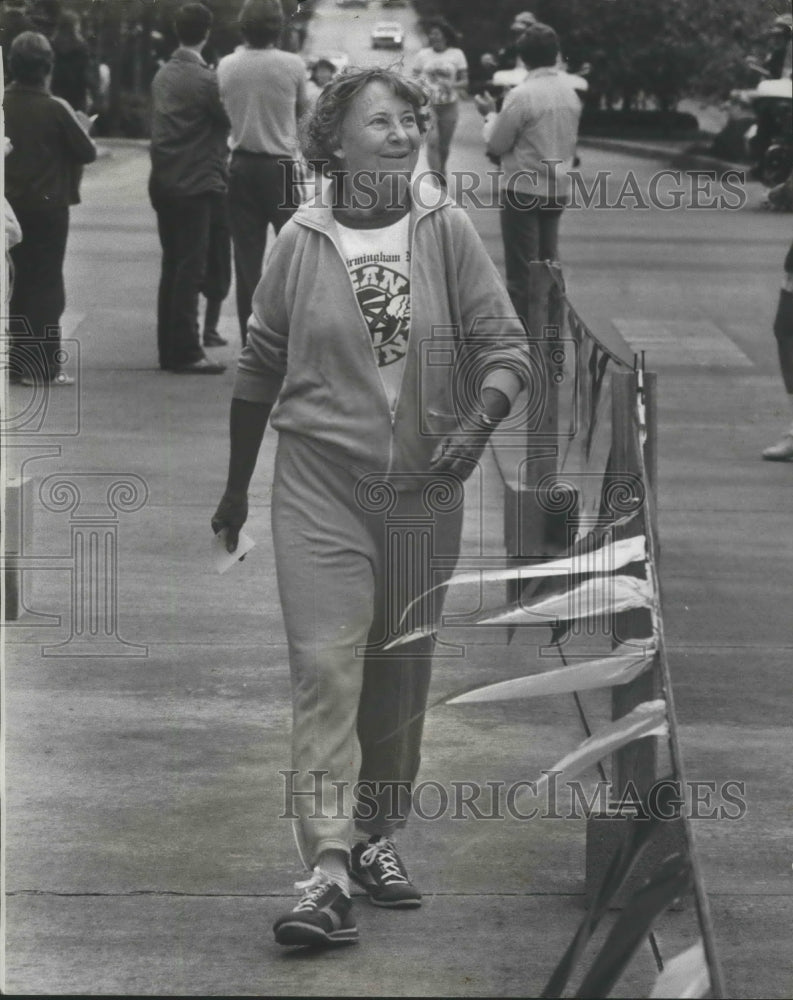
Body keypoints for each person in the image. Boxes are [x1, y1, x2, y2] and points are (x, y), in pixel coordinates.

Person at [211, 67, 532, 948]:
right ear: (333, 143)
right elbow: (259, 364)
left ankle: (376, 833)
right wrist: (237, 486)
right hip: (318, 483)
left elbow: (507, 348)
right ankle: (325, 871)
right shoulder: (298, 240)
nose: (400, 133)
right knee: (325, 669)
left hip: (425, 488)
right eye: (379, 121)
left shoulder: (446, 230)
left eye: (409, 120)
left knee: (397, 671)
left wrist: (475, 426)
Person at [4, 30, 96, 386]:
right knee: (46, 285)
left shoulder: (3, 103)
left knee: (13, 283)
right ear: (47, 68)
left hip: (9, 206)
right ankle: (43, 364)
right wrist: (84, 127)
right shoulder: (55, 108)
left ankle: (13, 363)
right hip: (48, 207)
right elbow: (85, 151)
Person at [474, 23, 581, 320]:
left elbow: (497, 142)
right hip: (557, 189)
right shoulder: (570, 94)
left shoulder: (522, 95)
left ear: (523, 58)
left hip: (522, 190)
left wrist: (489, 115)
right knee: (550, 267)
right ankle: (553, 338)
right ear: (555, 54)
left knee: (521, 275)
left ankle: (522, 345)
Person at [217, 0, 308, 346]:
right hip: (281, 166)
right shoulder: (292, 65)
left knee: (246, 260)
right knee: (294, 255)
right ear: (278, 28)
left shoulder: (227, 65)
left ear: (244, 27)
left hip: (240, 163)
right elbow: (305, 113)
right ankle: (290, 337)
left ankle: (250, 340)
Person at [149, 2, 230, 374]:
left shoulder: (162, 75)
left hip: (164, 180)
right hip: (196, 181)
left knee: (172, 264)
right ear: (207, 33)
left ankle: (168, 346)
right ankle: (186, 350)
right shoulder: (207, 80)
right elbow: (226, 118)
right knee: (191, 267)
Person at [412, 17, 468, 183]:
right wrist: (419, 89)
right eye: (431, 34)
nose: (433, 37)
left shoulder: (457, 54)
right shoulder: (422, 55)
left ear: (445, 36)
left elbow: (465, 82)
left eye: (436, 34)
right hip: (428, 105)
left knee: (444, 146)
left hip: (449, 105)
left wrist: (452, 85)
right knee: (433, 142)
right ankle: (436, 180)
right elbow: (413, 79)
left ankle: (441, 168)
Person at [50, 9, 96, 112]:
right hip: (77, 98)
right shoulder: (82, 48)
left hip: (56, 95)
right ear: (76, 26)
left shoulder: (52, 45)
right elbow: (86, 75)